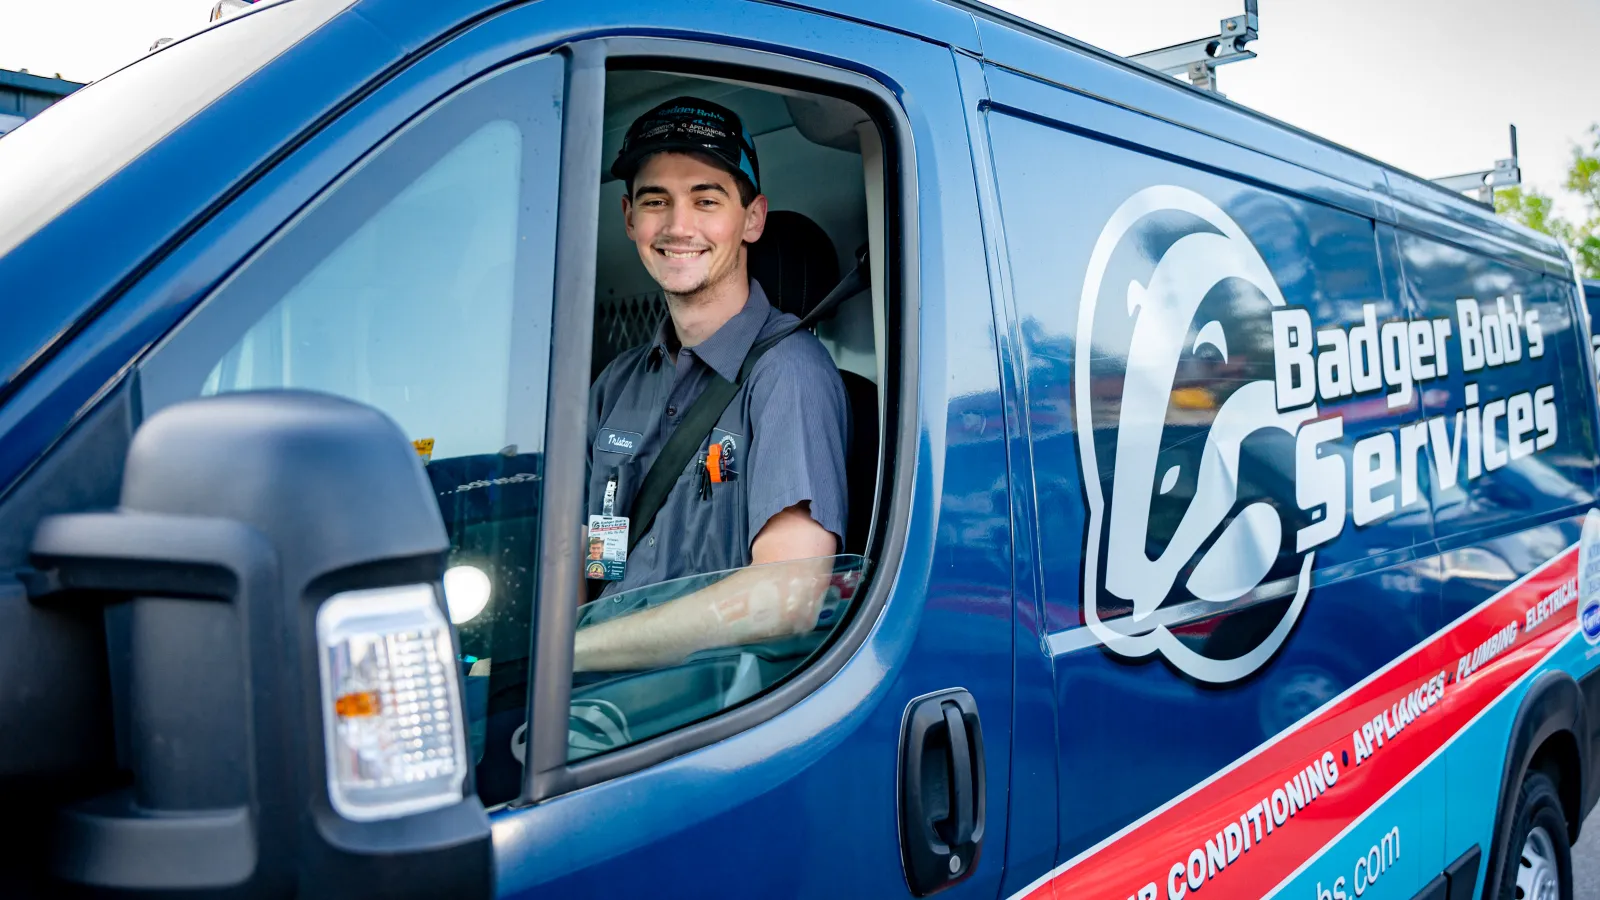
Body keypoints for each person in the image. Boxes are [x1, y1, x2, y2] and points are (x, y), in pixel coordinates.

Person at [575, 97, 849, 672]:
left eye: (707, 200)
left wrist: (571, 654)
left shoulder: (788, 374)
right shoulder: (616, 382)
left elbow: (785, 599)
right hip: (586, 695)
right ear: (629, 218)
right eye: (656, 201)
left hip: (704, 714)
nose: (678, 226)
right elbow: (585, 555)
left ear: (752, 219)